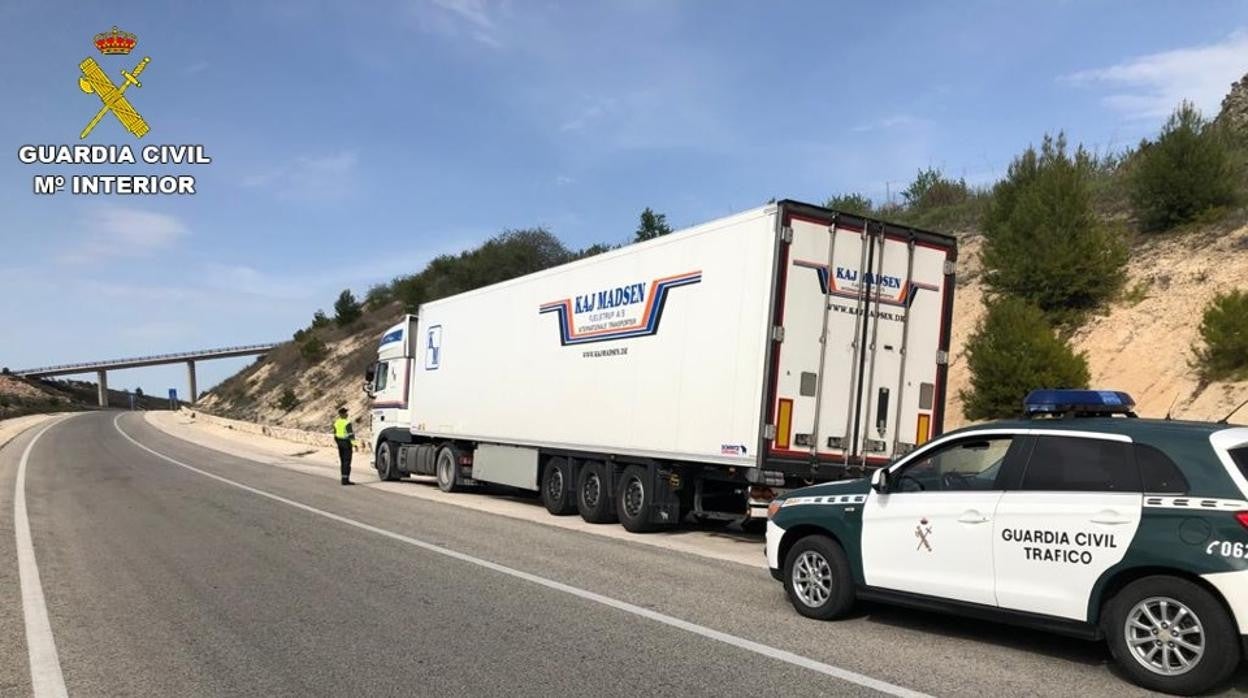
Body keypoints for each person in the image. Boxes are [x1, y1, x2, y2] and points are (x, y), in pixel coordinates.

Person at [333, 407, 357, 485]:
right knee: (347, 462)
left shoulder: (336, 422)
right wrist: (354, 444)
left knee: (343, 461)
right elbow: (350, 434)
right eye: (346, 413)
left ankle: (343, 478)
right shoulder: (347, 423)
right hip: (346, 443)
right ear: (343, 414)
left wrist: (338, 442)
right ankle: (345, 480)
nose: (347, 414)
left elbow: (335, 434)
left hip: (340, 443)